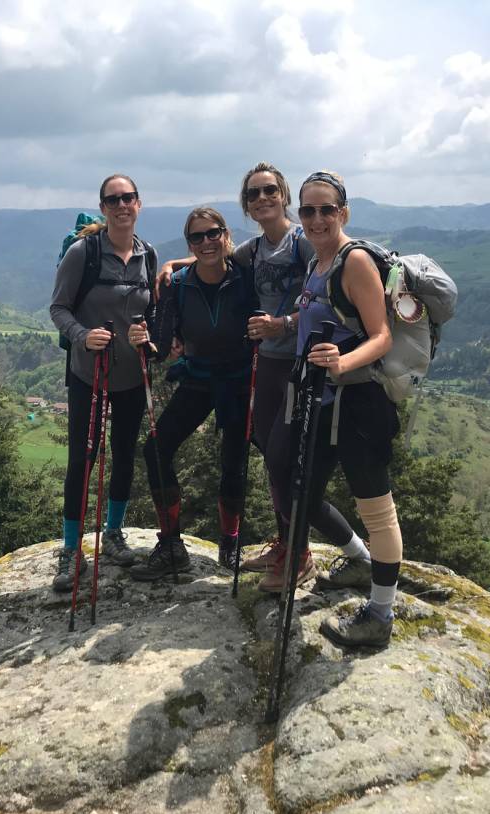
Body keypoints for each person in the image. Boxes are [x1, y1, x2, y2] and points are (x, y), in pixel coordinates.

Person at [157, 162, 368, 587]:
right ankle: (287, 544)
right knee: (275, 459)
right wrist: (173, 266)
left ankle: (304, 552)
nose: (262, 198)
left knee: (293, 461)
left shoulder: (305, 242)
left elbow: (326, 292)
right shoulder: (251, 251)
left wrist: (284, 325)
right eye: (253, 194)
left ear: (284, 195)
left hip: (304, 361)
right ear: (247, 206)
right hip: (269, 363)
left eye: (269, 190)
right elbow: (210, 255)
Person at [265, 170, 404, 648]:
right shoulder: (317, 264)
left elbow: (382, 335)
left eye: (327, 209)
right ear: (298, 216)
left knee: (375, 505)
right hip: (317, 401)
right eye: (308, 210)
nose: (318, 217)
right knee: (296, 491)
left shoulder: (354, 262)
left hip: (359, 401)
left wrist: (342, 361)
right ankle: (358, 559)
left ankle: (381, 614)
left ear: (343, 212)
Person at [127, 206, 257, 581]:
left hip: (238, 381)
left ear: (225, 235)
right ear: (190, 243)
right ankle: (171, 544)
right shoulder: (178, 285)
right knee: (156, 448)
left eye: (212, 233)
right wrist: (144, 342)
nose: (206, 242)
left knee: (233, 462)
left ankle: (229, 543)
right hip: (198, 379)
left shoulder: (246, 278)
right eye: (197, 237)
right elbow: (163, 344)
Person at [49, 174, 156, 593]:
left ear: (139, 204)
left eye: (128, 198)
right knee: (83, 459)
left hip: (131, 375)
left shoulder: (147, 254)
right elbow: (58, 307)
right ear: (103, 206)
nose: (121, 205)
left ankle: (112, 533)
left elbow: (154, 313)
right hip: (87, 374)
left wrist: (146, 335)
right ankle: (71, 548)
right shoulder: (84, 252)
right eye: (113, 199)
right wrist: (82, 336)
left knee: (125, 454)